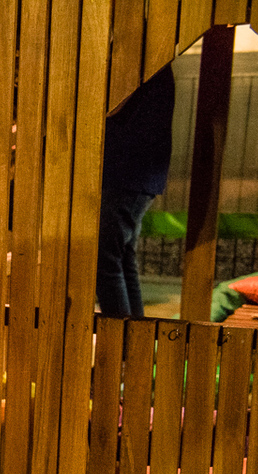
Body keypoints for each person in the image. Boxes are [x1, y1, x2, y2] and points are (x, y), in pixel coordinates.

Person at [97, 64, 175, 317]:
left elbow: (111, 106)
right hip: (136, 172)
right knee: (121, 258)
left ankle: (118, 336)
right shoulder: (156, 64)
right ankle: (132, 336)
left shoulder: (142, 61)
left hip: (127, 170)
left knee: (105, 261)